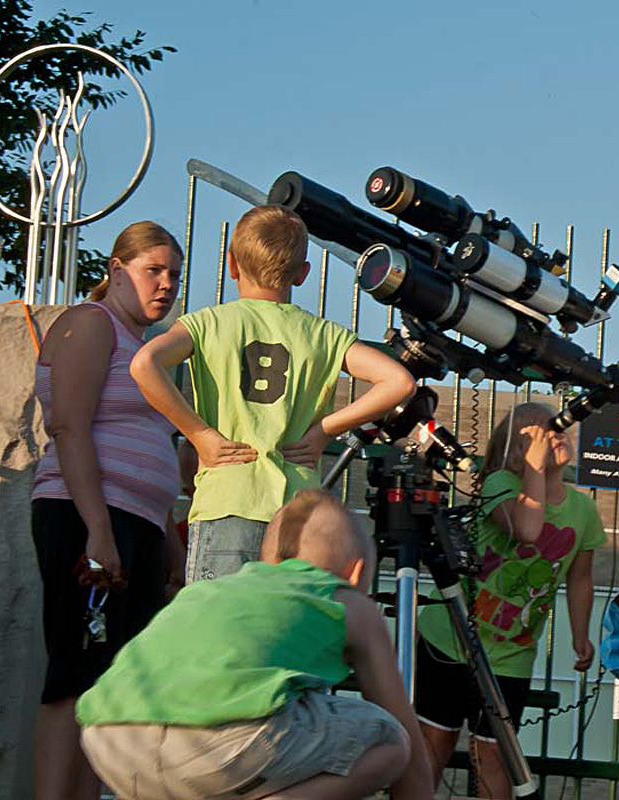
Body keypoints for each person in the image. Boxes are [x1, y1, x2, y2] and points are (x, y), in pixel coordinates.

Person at [76, 489, 434, 800]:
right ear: (355, 573)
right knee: (390, 740)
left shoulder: (212, 591)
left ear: (267, 561)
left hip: (109, 739)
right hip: (215, 746)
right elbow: (411, 752)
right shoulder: (346, 601)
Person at [130, 205, 415, 583]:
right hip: (298, 515)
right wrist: (325, 430)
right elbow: (400, 382)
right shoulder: (323, 334)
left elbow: (144, 363)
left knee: (224, 617)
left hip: (228, 499)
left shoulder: (208, 323)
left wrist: (200, 435)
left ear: (232, 265)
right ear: (302, 273)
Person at [30, 221, 186, 800]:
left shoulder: (147, 351)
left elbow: (152, 452)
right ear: (118, 270)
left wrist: (171, 549)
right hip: (86, 518)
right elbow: (69, 426)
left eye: (174, 275)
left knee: (114, 685)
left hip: (136, 525)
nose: (166, 284)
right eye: (154, 270)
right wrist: (98, 531)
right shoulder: (91, 324)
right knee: (75, 675)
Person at [414, 402, 606, 798]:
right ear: (515, 452)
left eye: (555, 431)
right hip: (451, 639)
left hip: (511, 653)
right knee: (433, 743)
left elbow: (580, 577)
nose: (552, 438)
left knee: (495, 755)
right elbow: (526, 529)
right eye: (535, 436)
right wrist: (533, 467)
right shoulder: (501, 483)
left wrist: (580, 633)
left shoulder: (583, 510)